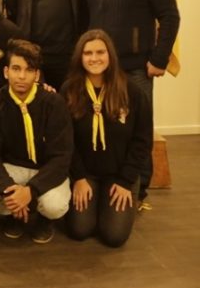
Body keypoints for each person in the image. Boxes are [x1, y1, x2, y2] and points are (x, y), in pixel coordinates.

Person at [84, 0, 180, 204]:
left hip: (136, 67)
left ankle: (139, 192)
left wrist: (159, 59)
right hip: (98, 70)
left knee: (139, 128)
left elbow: (170, 16)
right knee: (106, 128)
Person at [61, 30, 152, 247]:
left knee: (114, 236)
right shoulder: (69, 90)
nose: (94, 58)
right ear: (80, 57)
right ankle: (96, 203)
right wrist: (79, 178)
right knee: (80, 230)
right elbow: (65, 141)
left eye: (100, 52)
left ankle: (109, 204)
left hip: (119, 175)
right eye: (88, 53)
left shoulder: (132, 91)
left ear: (110, 54)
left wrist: (125, 181)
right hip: (86, 175)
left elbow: (142, 141)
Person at [0, 39, 73, 243]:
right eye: (16, 69)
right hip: (13, 167)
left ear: (37, 75)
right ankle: (14, 214)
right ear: (6, 72)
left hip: (44, 169)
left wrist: (31, 191)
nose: (21, 76)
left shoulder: (54, 103)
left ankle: (43, 220)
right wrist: (11, 191)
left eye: (28, 70)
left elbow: (62, 157)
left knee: (55, 206)